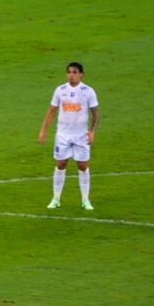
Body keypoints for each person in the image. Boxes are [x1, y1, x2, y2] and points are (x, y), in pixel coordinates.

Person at [38, 62, 100, 210]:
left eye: (74, 72)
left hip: (81, 135)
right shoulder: (60, 90)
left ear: (81, 74)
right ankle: (56, 199)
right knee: (60, 164)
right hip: (63, 135)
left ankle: (85, 200)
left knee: (82, 166)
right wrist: (43, 131)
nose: (71, 75)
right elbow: (52, 111)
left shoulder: (88, 91)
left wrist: (92, 131)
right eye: (69, 72)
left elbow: (96, 114)